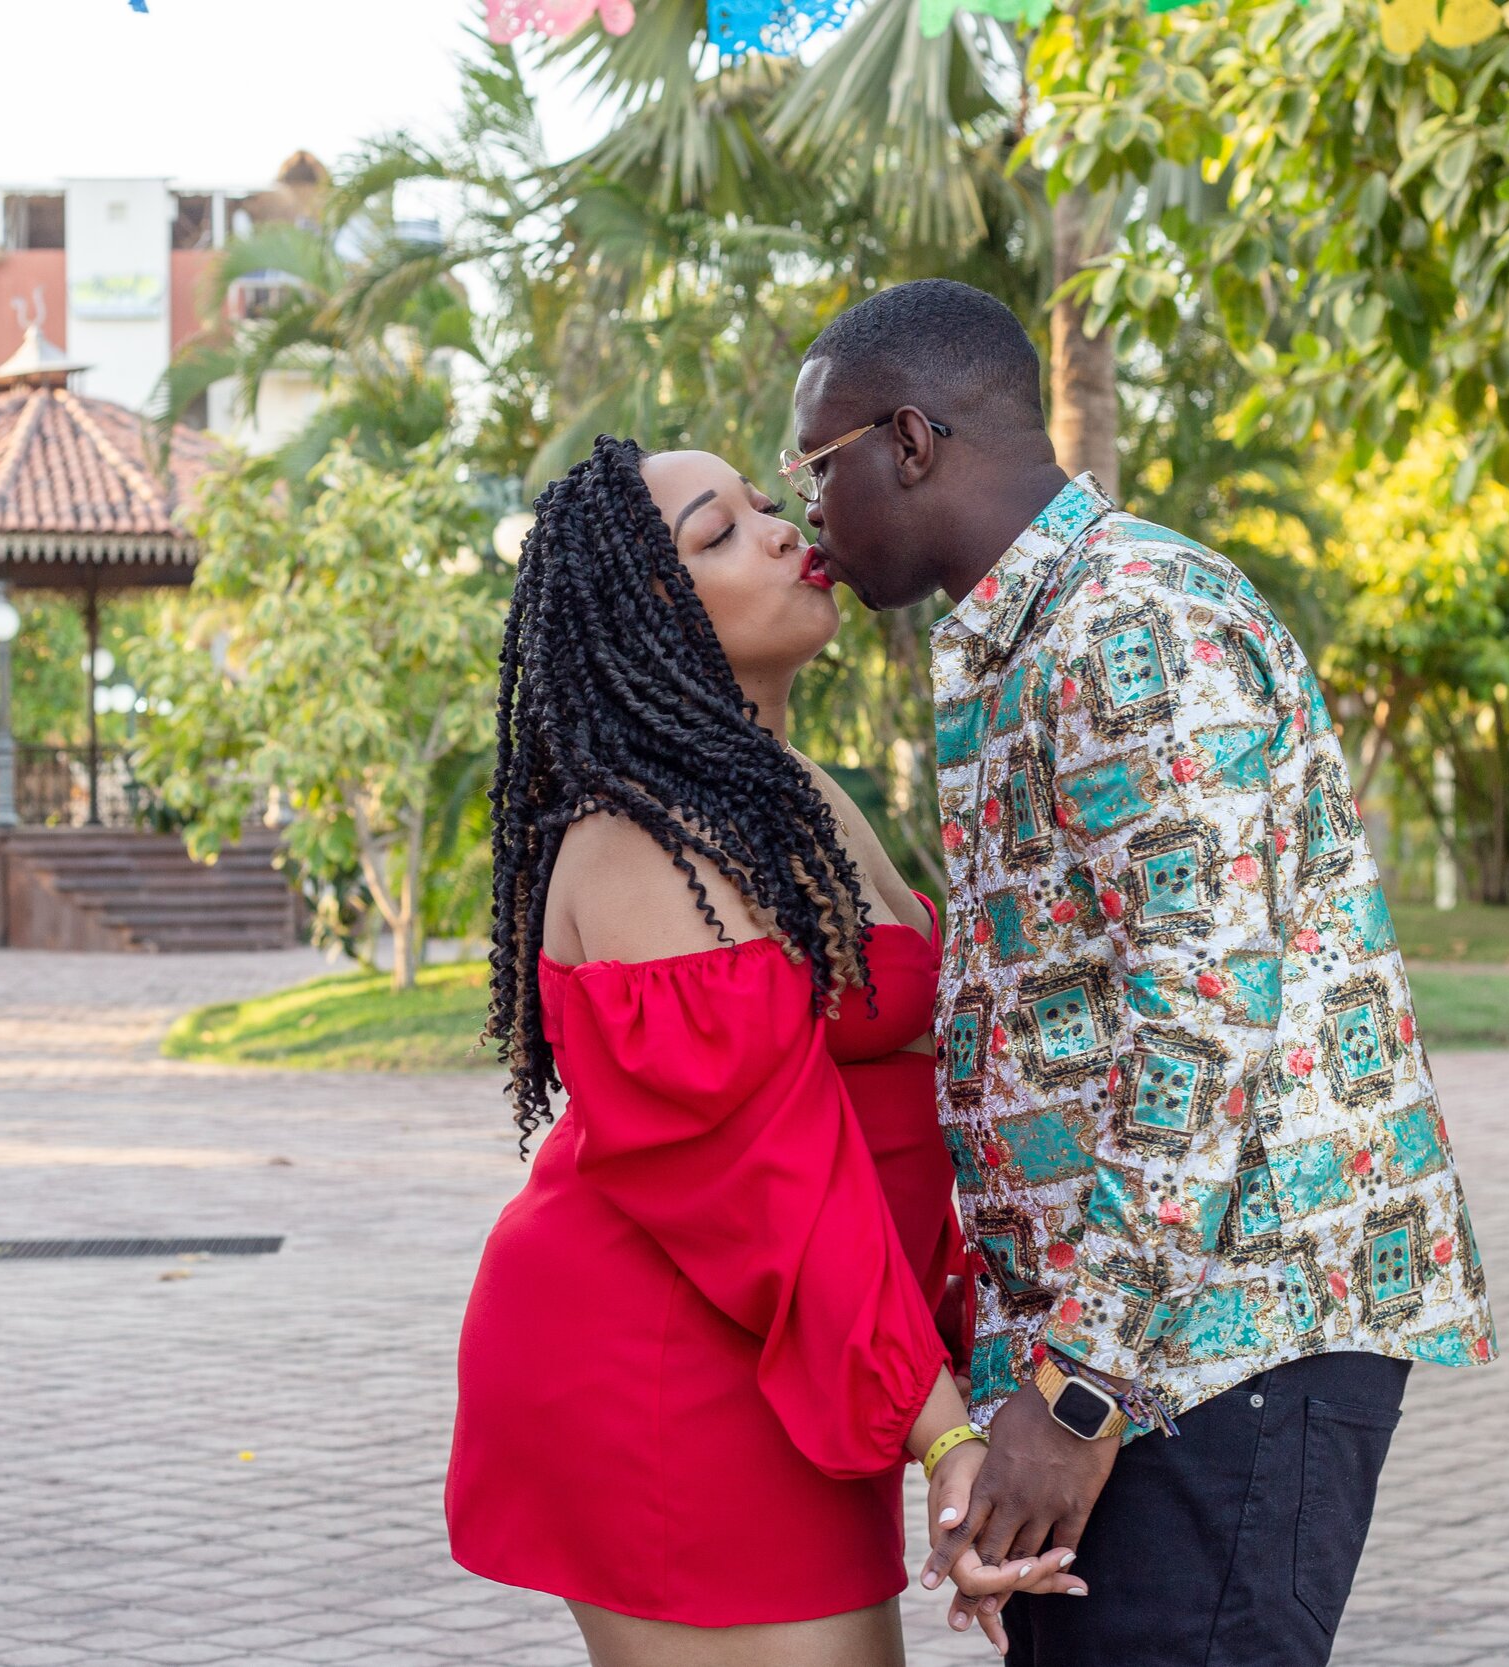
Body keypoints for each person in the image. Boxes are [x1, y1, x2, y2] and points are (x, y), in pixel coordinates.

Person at [787, 279, 1499, 1667]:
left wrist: (1073, 1397)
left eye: (817, 466)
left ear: (912, 440)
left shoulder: (1133, 621)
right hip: (1125, 1341)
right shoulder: (1023, 637)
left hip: (1228, 1334)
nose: (807, 509)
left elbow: (1202, 1023)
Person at [447, 436, 1080, 1665]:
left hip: (808, 1356)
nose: (786, 530)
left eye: (763, 502)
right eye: (717, 531)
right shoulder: (644, 838)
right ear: (645, 616)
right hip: (670, 1365)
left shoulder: (783, 789)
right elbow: (769, 1178)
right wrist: (945, 1436)